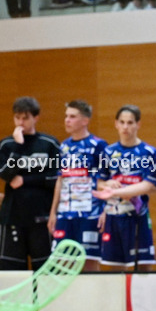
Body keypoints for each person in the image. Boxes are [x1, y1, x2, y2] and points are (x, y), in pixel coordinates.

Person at [93, 106, 156, 272]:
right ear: (116, 124)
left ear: (138, 124)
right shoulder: (108, 152)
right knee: (114, 269)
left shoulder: (149, 153)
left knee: (143, 268)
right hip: (113, 216)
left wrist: (124, 191)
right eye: (122, 122)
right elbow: (99, 183)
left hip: (137, 217)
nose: (126, 127)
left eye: (130, 122)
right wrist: (108, 184)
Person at [0, 97, 60, 271]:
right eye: (17, 118)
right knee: (11, 272)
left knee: (46, 271)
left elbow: (56, 179)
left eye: (25, 118)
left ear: (35, 118)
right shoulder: (5, 146)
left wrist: (25, 180)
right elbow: (5, 174)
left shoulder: (50, 145)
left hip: (42, 217)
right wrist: (18, 146)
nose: (20, 122)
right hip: (12, 217)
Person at [48, 100, 107, 272]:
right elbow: (60, 179)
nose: (67, 120)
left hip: (90, 213)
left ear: (85, 121)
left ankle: (92, 298)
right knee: (62, 263)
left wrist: (105, 210)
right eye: (66, 116)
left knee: (89, 262)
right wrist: (53, 212)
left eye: (72, 117)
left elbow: (106, 180)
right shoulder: (64, 146)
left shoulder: (98, 145)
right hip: (66, 213)